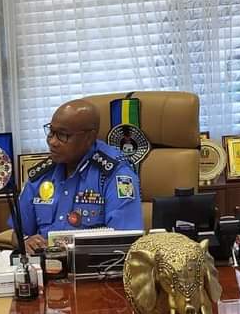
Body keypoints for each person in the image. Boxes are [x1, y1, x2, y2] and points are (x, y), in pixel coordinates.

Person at [12, 99, 143, 254]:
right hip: (44, 265)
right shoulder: (42, 175)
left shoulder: (115, 174)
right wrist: (25, 241)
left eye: (62, 135)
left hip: (94, 265)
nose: (52, 142)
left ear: (89, 137)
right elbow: (17, 233)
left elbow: (125, 241)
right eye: (51, 132)